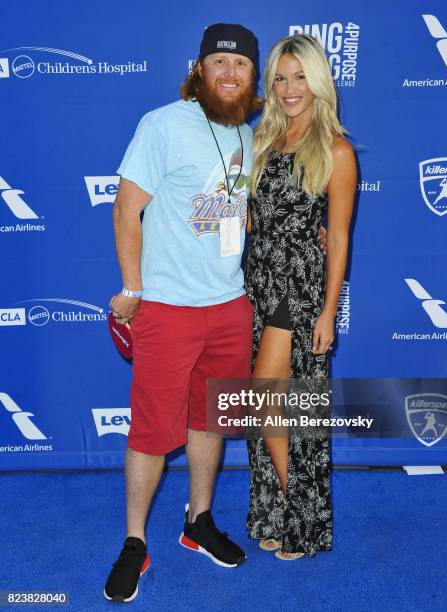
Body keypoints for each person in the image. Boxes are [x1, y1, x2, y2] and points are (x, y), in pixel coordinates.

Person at [104, 23, 262, 603]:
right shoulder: (163, 124)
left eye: (239, 64)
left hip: (228, 305)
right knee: (150, 428)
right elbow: (127, 209)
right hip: (167, 308)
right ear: (198, 70)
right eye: (217, 62)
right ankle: (134, 542)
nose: (228, 72)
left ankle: (198, 522)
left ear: (251, 76)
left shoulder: (244, 132)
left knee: (210, 419)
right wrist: (133, 287)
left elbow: (230, 210)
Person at [244, 34, 356, 560]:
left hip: (297, 284)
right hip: (256, 282)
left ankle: (299, 517)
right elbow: (248, 219)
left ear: (319, 80)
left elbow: (337, 238)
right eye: (281, 78)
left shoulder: (336, 149)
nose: (290, 88)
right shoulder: (261, 141)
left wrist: (329, 309)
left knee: (267, 399)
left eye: (300, 76)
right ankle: (279, 514)